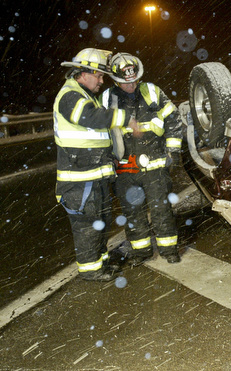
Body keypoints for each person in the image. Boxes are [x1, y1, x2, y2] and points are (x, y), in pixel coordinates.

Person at [55, 48, 140, 281]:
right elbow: (90, 118)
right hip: (79, 180)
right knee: (88, 226)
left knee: (99, 223)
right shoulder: (70, 96)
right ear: (84, 73)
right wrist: (124, 118)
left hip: (93, 176)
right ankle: (91, 271)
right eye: (99, 76)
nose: (102, 81)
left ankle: (100, 264)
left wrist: (110, 157)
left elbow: (95, 136)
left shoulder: (85, 96)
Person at [101, 52, 183, 266]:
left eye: (135, 80)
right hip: (125, 170)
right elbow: (101, 134)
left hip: (155, 165)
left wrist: (172, 152)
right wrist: (107, 162)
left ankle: (169, 250)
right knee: (132, 213)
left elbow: (173, 120)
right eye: (125, 82)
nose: (131, 85)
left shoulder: (152, 92)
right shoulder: (107, 98)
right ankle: (142, 252)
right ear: (115, 80)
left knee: (161, 210)